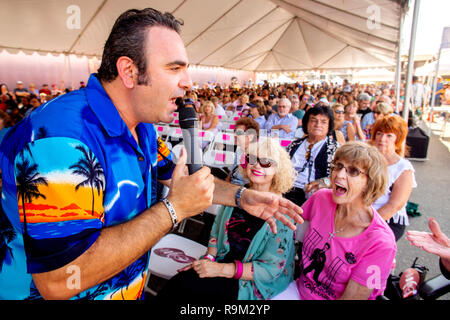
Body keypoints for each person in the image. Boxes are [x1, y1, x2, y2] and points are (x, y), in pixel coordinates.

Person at [0, 8, 303, 300]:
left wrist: (241, 197)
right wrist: (173, 210)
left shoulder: (142, 127)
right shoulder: (61, 138)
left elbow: (176, 178)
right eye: (175, 68)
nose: (188, 82)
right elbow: (60, 278)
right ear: (130, 72)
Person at [157, 137, 297, 300]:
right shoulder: (237, 195)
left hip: (249, 282)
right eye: (252, 159)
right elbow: (215, 234)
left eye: (266, 162)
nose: (257, 165)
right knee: (179, 283)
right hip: (220, 263)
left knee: (190, 289)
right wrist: (207, 261)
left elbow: (270, 270)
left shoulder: (282, 211)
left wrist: (218, 269)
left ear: (278, 170)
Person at [274, 141, 397, 300]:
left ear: (370, 183)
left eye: (352, 171)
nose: (339, 175)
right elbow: (289, 236)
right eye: (338, 166)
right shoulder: (320, 199)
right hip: (297, 290)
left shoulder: (380, 242)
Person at [370, 115, 417, 242]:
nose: (382, 139)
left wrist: (366, 224)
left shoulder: (403, 168)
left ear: (398, 139)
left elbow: (394, 205)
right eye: (379, 133)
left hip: (388, 220)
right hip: (360, 214)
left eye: (389, 135)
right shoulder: (366, 158)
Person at [284, 105, 339, 207]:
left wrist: (324, 182)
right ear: (306, 123)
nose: (318, 125)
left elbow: (340, 175)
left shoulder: (335, 149)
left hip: (314, 196)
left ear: (329, 126)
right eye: (314, 120)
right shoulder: (294, 145)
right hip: (286, 191)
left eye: (323, 122)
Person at [227, 117, 260, 186]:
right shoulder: (239, 149)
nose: (235, 135)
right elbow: (231, 172)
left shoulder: (257, 154)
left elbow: (252, 184)